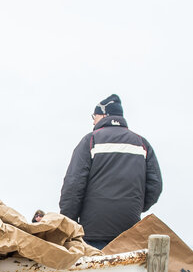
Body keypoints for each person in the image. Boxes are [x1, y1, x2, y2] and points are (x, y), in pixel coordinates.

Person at [59, 94, 162, 249]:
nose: (93, 121)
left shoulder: (91, 141)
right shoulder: (142, 144)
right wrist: (134, 207)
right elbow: (155, 187)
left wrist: (69, 225)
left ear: (104, 115)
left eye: (94, 116)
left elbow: (73, 185)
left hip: (92, 233)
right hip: (129, 231)